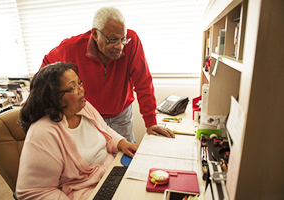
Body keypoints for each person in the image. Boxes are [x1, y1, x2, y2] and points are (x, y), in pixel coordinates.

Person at [40, 6, 174, 143]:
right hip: (89, 115)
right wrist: (38, 99)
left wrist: (151, 122)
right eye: (113, 40)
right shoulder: (71, 48)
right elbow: (46, 67)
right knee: (96, 156)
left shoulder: (132, 42)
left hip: (121, 113)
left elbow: (143, 83)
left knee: (126, 155)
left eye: (122, 39)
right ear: (95, 34)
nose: (119, 46)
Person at [16, 62, 138, 199]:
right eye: (72, 88)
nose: (81, 90)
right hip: (86, 190)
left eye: (79, 83)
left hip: (111, 173)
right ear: (53, 97)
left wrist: (121, 143)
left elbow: (105, 130)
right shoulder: (42, 132)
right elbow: (34, 191)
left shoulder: (83, 107)